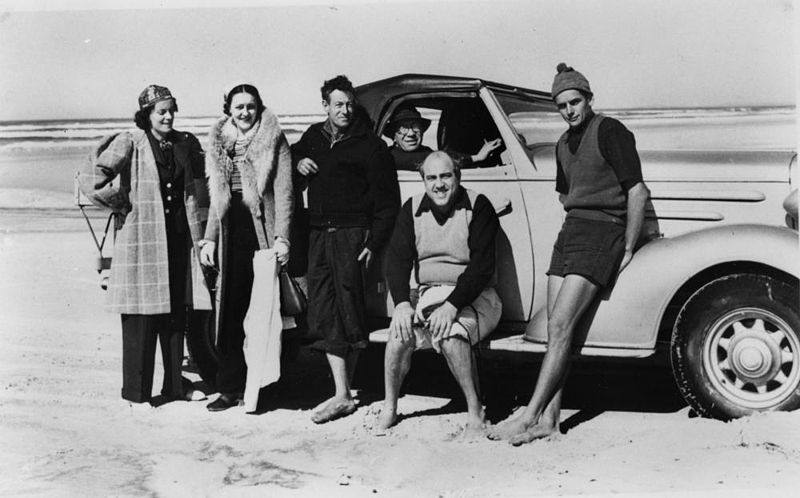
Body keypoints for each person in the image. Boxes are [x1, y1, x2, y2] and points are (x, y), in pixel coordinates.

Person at [487, 63, 650, 445]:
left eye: (575, 102)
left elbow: (637, 192)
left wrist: (627, 246)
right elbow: (566, 193)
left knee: (561, 326)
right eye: (562, 105)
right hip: (571, 231)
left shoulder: (610, 131)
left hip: (602, 232)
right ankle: (549, 421)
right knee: (551, 329)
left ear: (589, 99)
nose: (569, 110)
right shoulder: (562, 143)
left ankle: (528, 416)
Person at [79, 84, 210, 405]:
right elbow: (88, 178)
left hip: (180, 240)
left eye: (171, 109)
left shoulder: (184, 143)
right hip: (142, 241)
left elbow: (201, 186)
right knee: (140, 316)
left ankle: (175, 388)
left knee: (176, 313)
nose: (168, 116)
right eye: (161, 111)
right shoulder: (131, 142)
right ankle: (136, 394)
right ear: (147, 115)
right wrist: (119, 202)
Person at [291, 75, 400, 423]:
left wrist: (374, 242)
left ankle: (342, 392)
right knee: (323, 308)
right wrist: (298, 165)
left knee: (349, 306)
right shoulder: (313, 137)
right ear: (325, 105)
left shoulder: (371, 146)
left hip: (353, 234)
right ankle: (342, 392)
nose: (345, 110)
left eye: (350, 104)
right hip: (318, 234)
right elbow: (289, 160)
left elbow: (388, 204)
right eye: (338, 104)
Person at [378, 151, 502, 437]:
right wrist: (400, 304)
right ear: (423, 181)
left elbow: (482, 268)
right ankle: (389, 408)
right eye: (431, 178)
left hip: (477, 296)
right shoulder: (411, 209)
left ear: (457, 176)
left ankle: (475, 410)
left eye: (446, 176)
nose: (439, 184)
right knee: (398, 334)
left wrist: (452, 305)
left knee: (451, 335)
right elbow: (396, 260)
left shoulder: (477, 205)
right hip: (429, 295)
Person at [199, 83, 294, 412]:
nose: (245, 112)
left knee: (264, 314)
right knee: (229, 312)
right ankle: (228, 388)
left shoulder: (273, 137)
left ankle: (263, 389)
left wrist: (283, 236)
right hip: (231, 233)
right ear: (229, 109)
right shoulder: (220, 141)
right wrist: (210, 237)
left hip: (261, 230)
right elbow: (217, 197)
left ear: (258, 107)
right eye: (238, 107)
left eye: (250, 106)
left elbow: (284, 192)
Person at [385, 105, 502, 171]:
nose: (411, 133)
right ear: (393, 136)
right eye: (403, 128)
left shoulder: (426, 151)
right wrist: (476, 158)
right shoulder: (389, 157)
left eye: (415, 127)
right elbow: (436, 160)